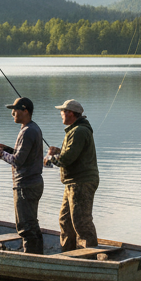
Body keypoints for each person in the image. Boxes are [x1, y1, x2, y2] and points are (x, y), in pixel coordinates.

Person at [0, 97, 44, 254]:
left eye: (15, 109)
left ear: (25, 110)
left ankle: (31, 261)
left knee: (25, 227)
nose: (13, 112)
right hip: (34, 183)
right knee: (32, 224)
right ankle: (38, 258)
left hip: (25, 186)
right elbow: (23, 155)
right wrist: (5, 148)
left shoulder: (27, 132)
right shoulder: (33, 128)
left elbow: (18, 161)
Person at [45, 99, 99, 251]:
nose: (61, 114)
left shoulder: (79, 131)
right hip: (73, 182)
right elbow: (71, 154)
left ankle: (88, 256)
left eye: (62, 112)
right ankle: (68, 254)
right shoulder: (75, 130)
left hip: (81, 182)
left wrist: (51, 158)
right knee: (65, 220)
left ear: (70, 113)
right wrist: (58, 152)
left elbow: (67, 159)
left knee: (81, 222)